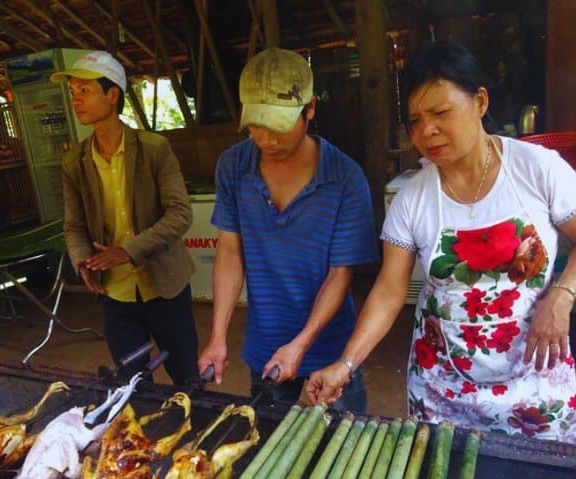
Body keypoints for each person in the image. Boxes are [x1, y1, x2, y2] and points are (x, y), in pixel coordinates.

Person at [306, 41, 576, 443]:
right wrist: (345, 364)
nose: (426, 131)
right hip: (442, 390)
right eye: (415, 121)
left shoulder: (537, 170)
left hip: (535, 386)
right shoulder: (412, 199)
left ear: (480, 101)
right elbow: (389, 290)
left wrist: (562, 295)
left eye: (441, 113)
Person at [197, 47, 379, 411]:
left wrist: (301, 344)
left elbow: (340, 274)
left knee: (342, 440)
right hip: (265, 347)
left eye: (278, 127)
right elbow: (230, 253)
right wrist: (218, 337)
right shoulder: (232, 167)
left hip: (332, 351)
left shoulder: (345, 178)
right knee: (266, 436)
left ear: (309, 109)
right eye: (256, 125)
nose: (266, 140)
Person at [52, 51, 199, 385]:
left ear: (112, 94)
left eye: (85, 91)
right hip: (115, 292)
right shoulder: (74, 161)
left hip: (164, 284)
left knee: (187, 378)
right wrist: (82, 261)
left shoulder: (154, 149)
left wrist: (126, 251)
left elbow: (180, 213)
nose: (75, 100)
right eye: (73, 92)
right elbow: (73, 225)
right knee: (132, 384)